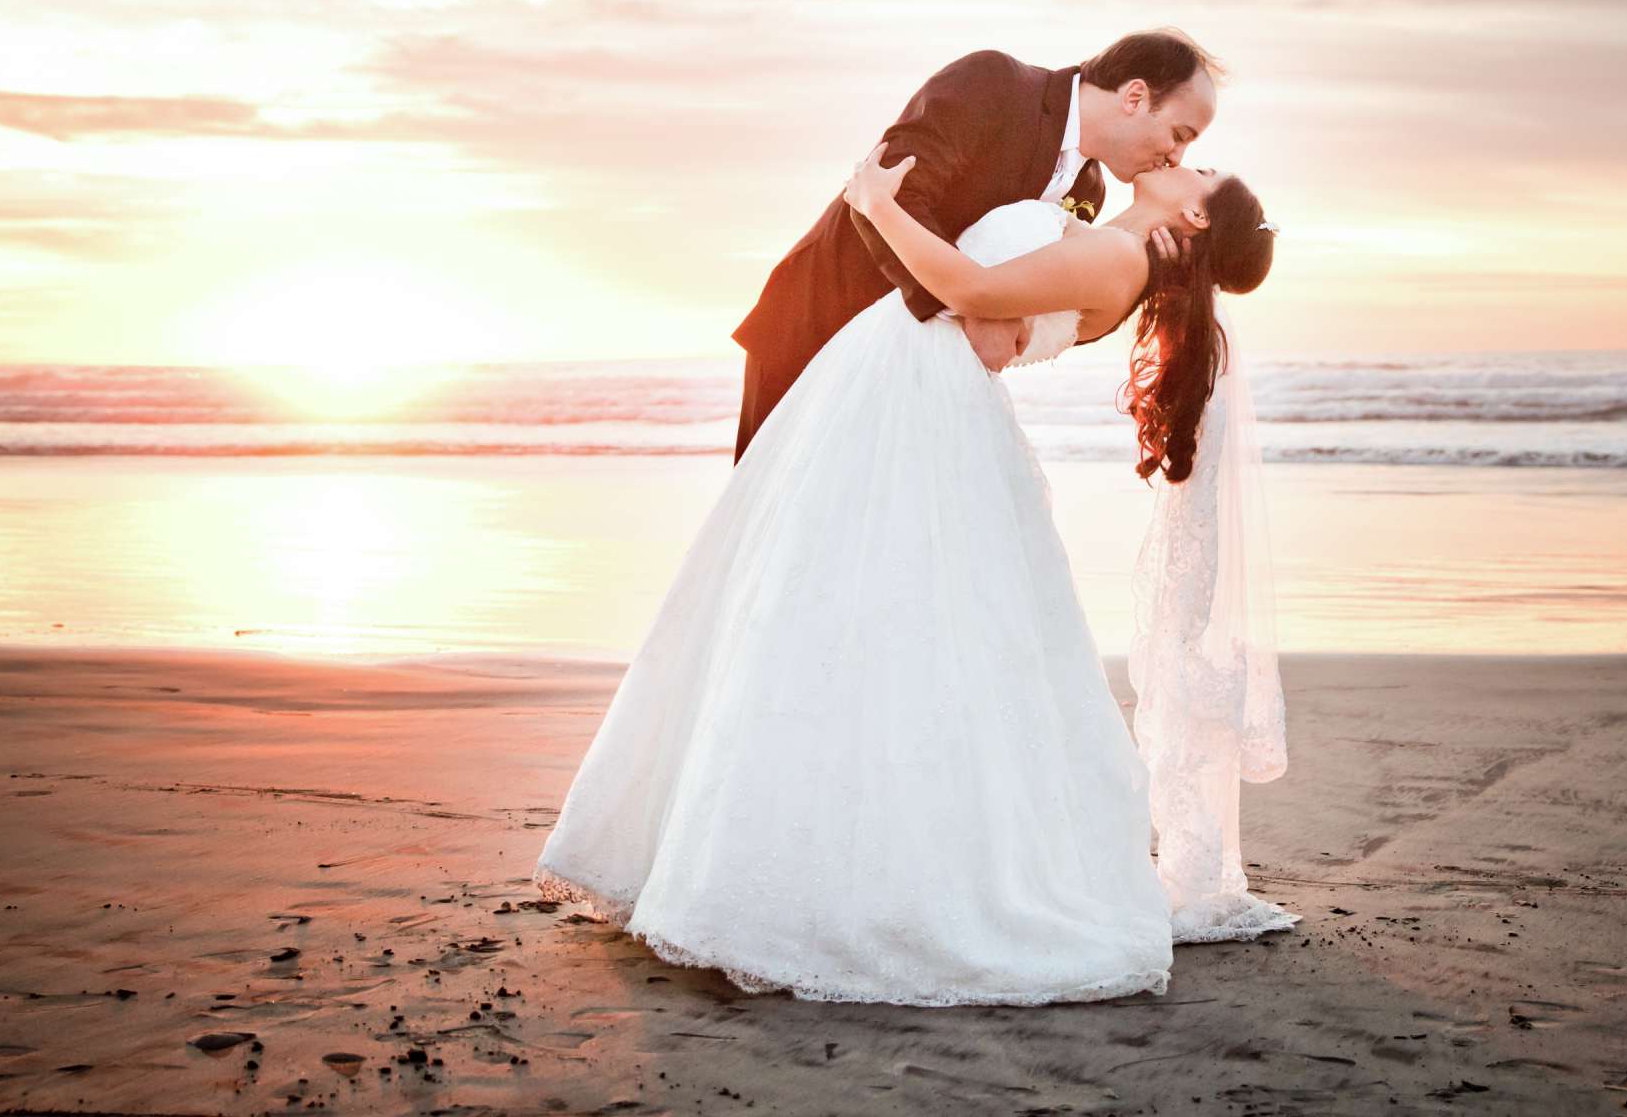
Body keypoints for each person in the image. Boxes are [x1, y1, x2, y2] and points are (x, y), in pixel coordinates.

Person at [532, 118, 1279, 1006]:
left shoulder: (1120, 264)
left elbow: (967, 288)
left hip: (918, 404)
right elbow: (995, 319)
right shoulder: (1103, 238)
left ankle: (847, 884)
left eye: (1204, 169)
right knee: (842, 619)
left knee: (869, 626)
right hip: (898, 387)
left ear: (1195, 219)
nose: (1185, 159)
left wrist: (878, 204)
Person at [727, 28, 1218, 460]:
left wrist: (1150, 278)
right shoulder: (997, 83)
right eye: (1179, 134)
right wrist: (969, 310)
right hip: (818, 326)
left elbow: (1054, 306)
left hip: (907, 376)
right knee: (773, 537)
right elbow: (889, 194)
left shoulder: (1088, 190)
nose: (1176, 156)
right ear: (1135, 96)